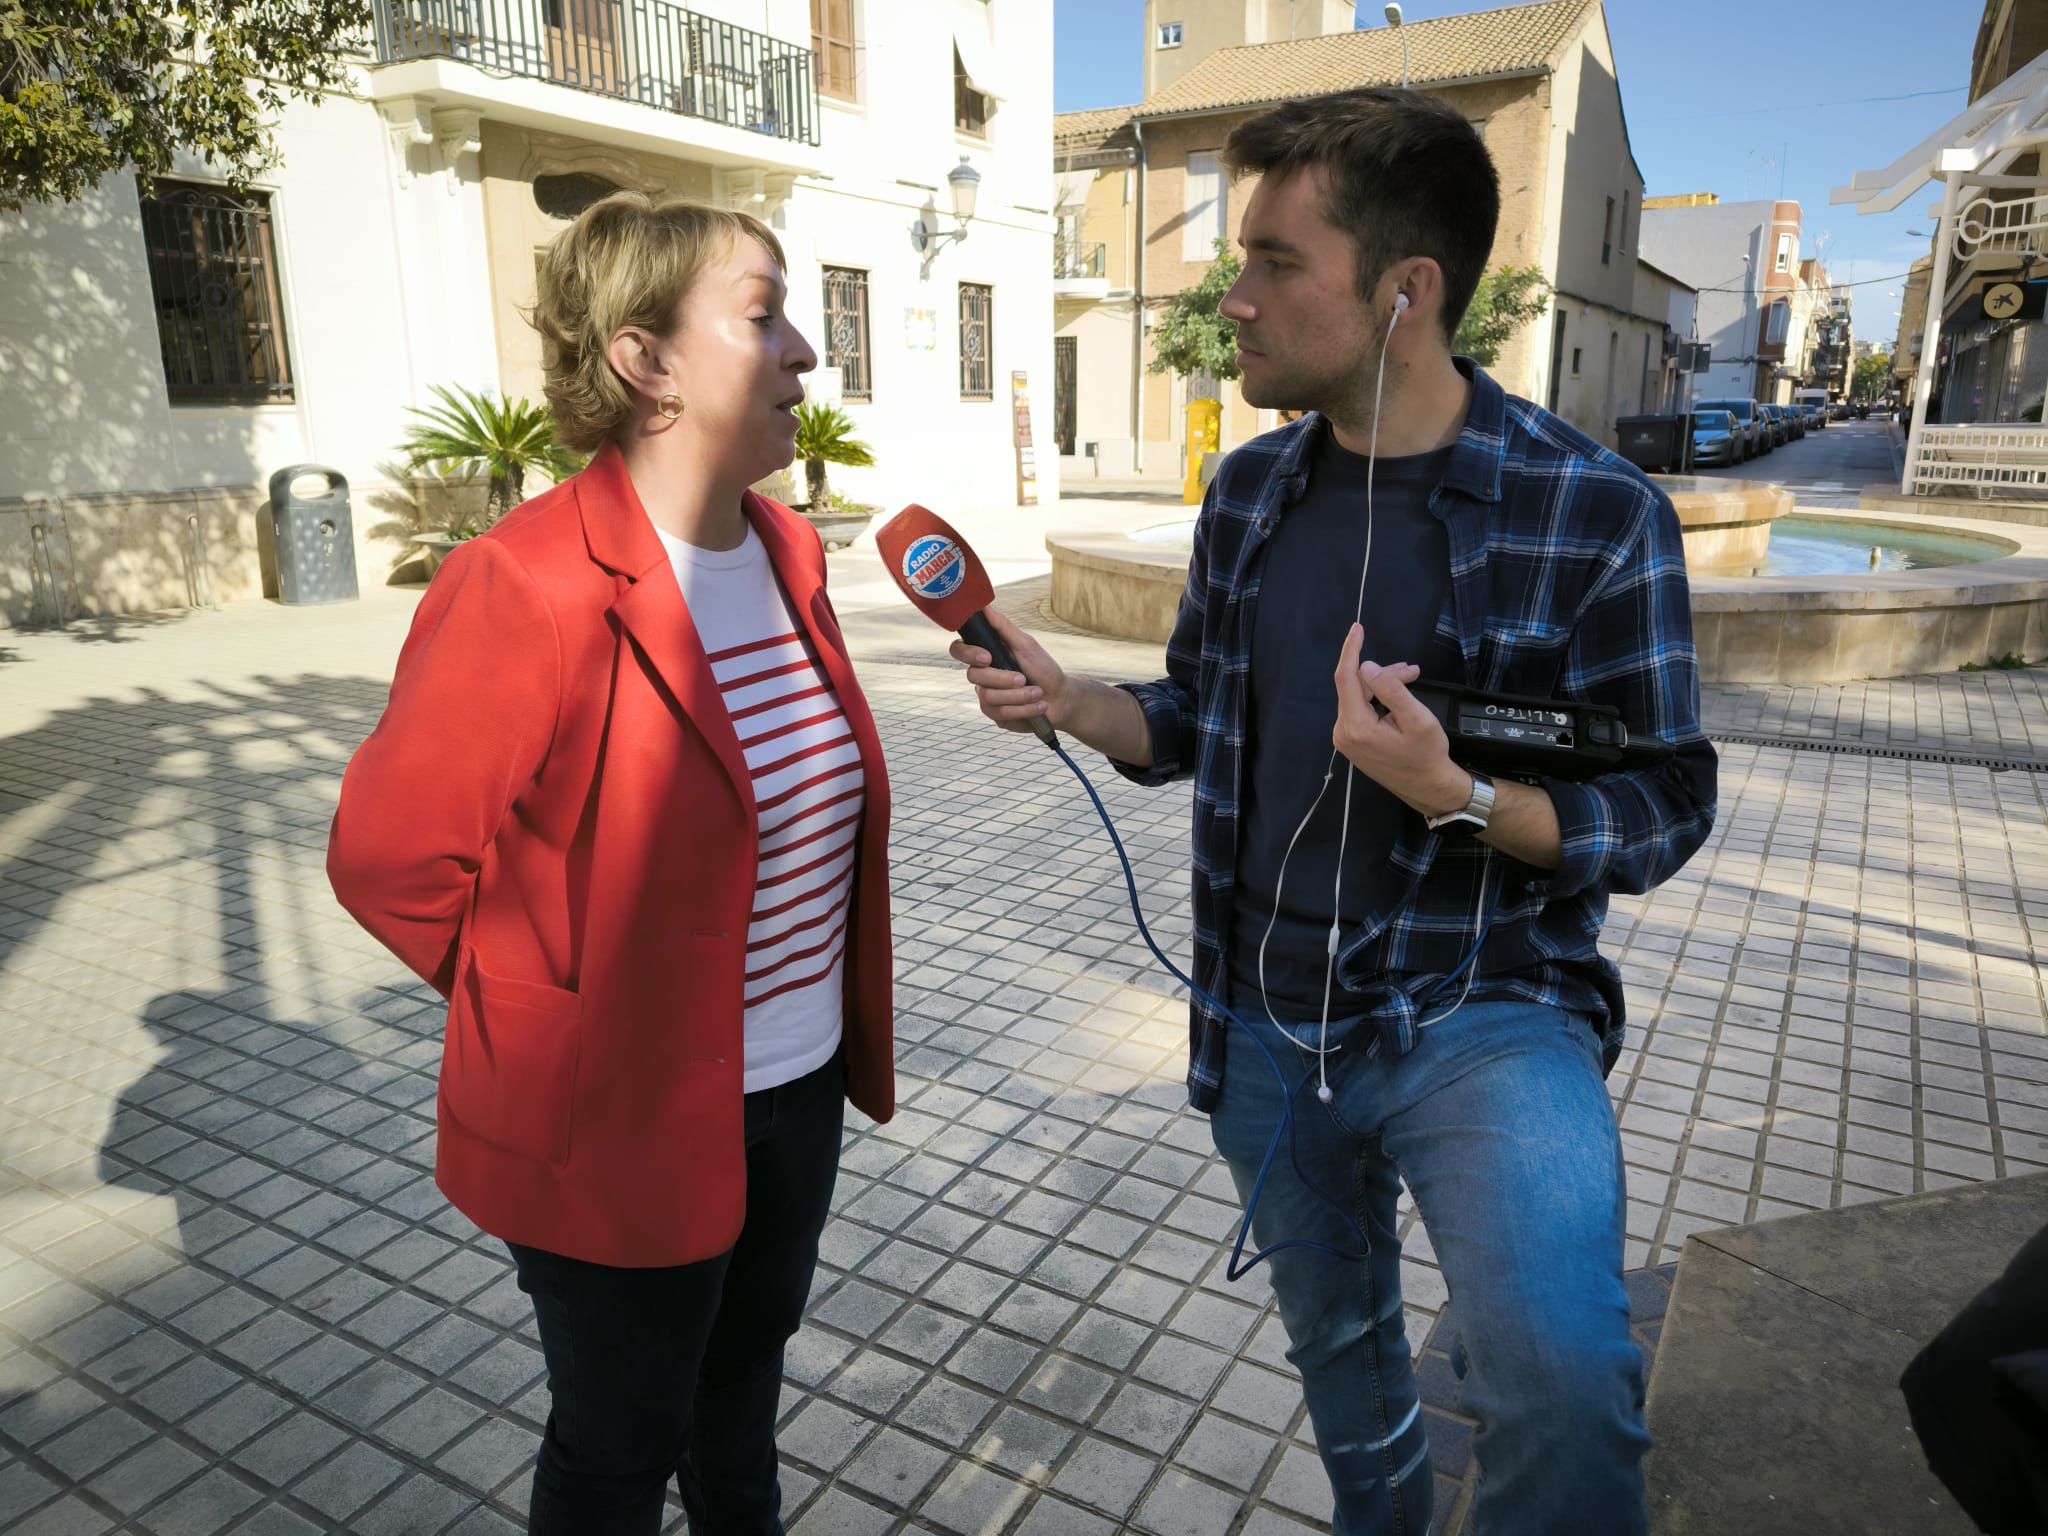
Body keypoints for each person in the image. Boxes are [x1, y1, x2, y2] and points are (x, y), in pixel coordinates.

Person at [950, 89, 1717, 1535]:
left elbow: (1669, 800)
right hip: (1260, 1019)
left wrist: (1465, 797)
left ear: (1403, 294)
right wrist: (1072, 705)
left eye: (1273, 263)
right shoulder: (1247, 496)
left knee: (1562, 1380)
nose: (1229, 299)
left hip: (1484, 1013)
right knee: (1343, 1351)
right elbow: (1191, 713)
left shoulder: (1594, 510)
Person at [328, 193, 895, 1535]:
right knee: (617, 1449)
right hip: (620, 1115)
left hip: (795, 1085)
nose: (806, 351)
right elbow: (389, 859)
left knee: (740, 1408)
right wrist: (561, 1010)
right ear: (644, 360)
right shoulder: (522, 584)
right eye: (762, 318)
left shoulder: (791, 550)